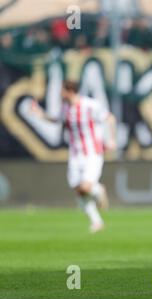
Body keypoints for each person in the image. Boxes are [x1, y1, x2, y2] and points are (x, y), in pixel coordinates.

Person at [31, 80, 117, 233]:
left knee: (85, 187)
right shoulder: (65, 108)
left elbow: (110, 119)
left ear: (69, 91)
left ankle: (98, 190)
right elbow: (56, 120)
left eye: (61, 91)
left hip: (92, 153)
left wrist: (111, 139)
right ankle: (97, 221)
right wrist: (39, 114)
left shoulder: (90, 105)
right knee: (79, 191)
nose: (59, 94)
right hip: (75, 155)